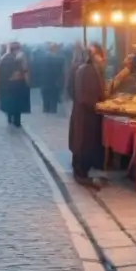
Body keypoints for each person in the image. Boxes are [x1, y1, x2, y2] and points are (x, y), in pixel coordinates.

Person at [69, 43, 106, 186]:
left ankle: (82, 169)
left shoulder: (85, 69)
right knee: (84, 141)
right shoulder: (87, 70)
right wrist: (97, 103)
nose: (102, 59)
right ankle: (81, 172)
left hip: (84, 112)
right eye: (100, 55)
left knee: (83, 141)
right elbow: (85, 95)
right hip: (86, 114)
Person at [0, 42, 31, 127]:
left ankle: (9, 118)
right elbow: (24, 70)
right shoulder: (19, 59)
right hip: (17, 85)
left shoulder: (4, 58)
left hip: (6, 86)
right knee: (17, 105)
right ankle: (17, 122)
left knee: (10, 103)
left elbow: (0, 73)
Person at [40, 43, 66, 114]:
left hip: (45, 80)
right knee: (53, 95)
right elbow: (61, 71)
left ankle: (46, 108)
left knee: (46, 95)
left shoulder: (43, 57)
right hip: (54, 79)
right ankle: (52, 109)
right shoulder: (59, 58)